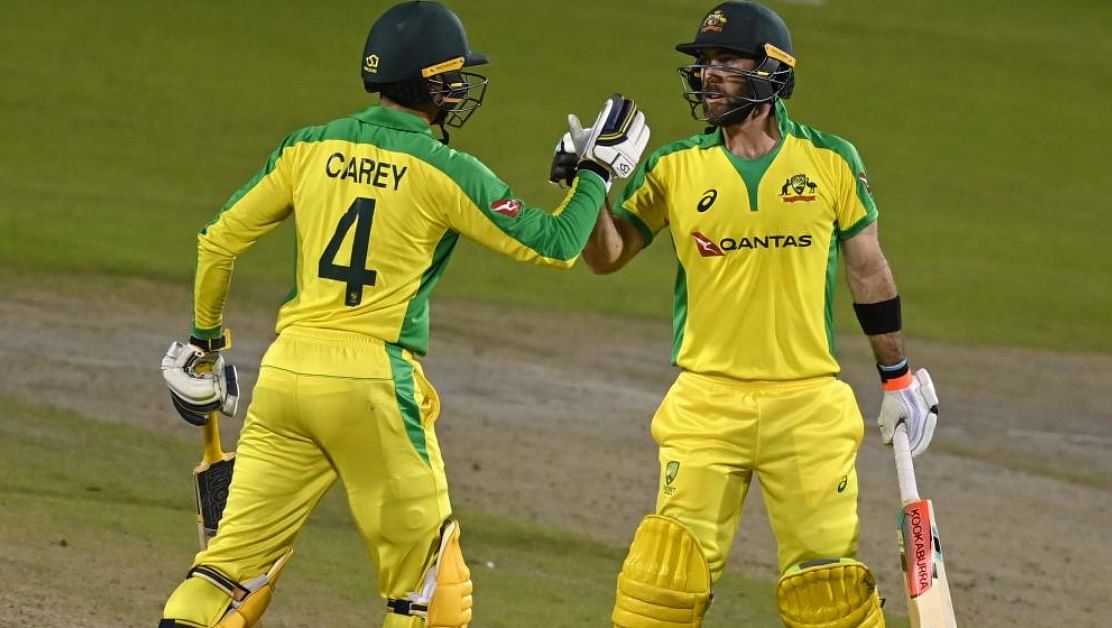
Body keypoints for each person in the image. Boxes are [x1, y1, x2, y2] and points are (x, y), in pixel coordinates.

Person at [156, 2, 649, 626]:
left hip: (286, 378)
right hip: (374, 386)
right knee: (430, 594)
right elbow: (555, 246)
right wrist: (596, 176)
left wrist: (206, 345)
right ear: (433, 83)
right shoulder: (445, 169)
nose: (462, 88)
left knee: (225, 574)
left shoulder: (309, 146)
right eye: (456, 77)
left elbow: (217, 240)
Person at [563, 2, 940, 626]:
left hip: (808, 406)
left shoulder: (830, 161)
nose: (708, 76)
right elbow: (607, 256)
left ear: (770, 74)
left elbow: (868, 268)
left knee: (831, 596)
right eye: (704, 64)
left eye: (725, 64)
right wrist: (588, 185)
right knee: (662, 585)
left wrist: (897, 375)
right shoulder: (674, 167)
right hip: (706, 405)